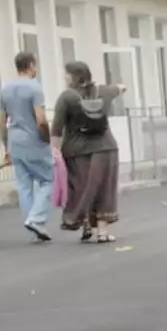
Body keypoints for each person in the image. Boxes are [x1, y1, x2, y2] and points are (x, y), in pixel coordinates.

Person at [50, 61, 125, 243]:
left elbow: (57, 127)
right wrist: (116, 88)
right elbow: (122, 87)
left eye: (66, 74)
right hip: (106, 147)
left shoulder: (67, 97)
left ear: (73, 76)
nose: (64, 77)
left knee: (82, 188)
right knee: (104, 189)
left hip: (77, 151)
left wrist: (55, 149)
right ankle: (102, 232)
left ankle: (84, 224)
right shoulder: (103, 92)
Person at [0, 51, 55, 242]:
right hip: (34, 140)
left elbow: (1, 121)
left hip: (15, 141)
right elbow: (40, 119)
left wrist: (6, 146)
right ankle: (36, 219)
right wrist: (47, 138)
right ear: (31, 65)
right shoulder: (34, 88)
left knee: (24, 186)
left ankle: (34, 228)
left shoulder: (5, 89)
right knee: (48, 180)